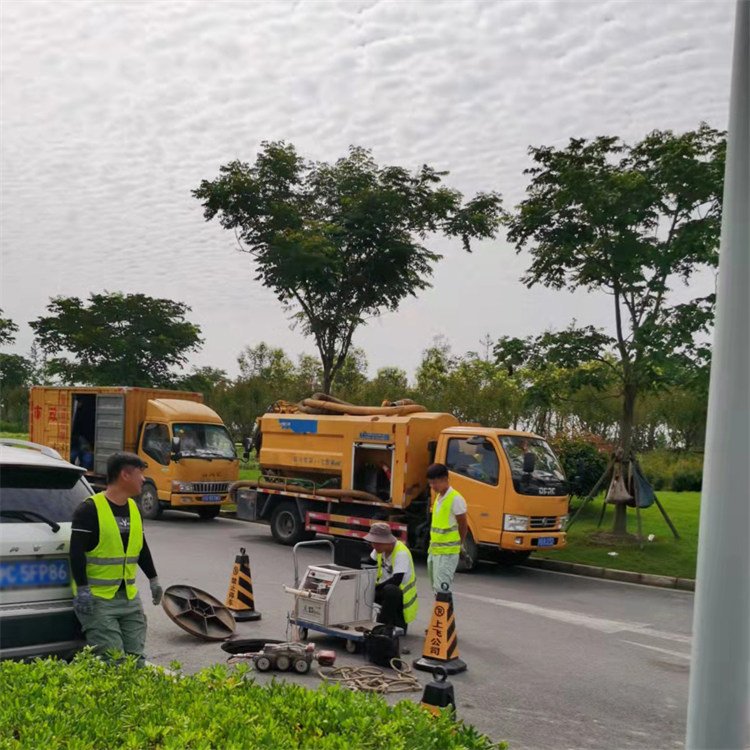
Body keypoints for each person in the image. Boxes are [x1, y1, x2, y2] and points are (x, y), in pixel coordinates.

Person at [69, 452, 163, 663]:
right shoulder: (89, 510)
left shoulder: (134, 509)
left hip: (129, 599)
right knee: (114, 661)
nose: (144, 479)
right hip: (98, 600)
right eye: (140, 474)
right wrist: (82, 589)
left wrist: (153, 579)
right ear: (125, 475)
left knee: (135, 661)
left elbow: (141, 547)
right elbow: (76, 553)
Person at [364, 522, 418, 632]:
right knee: (361, 588)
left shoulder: (401, 553)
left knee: (389, 590)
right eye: (372, 543)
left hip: (399, 596)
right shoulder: (379, 548)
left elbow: (396, 581)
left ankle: (383, 626)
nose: (373, 546)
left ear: (386, 542)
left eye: (376, 543)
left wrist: (374, 589)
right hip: (384, 590)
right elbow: (368, 562)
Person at [426, 463, 468, 595]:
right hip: (435, 551)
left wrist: (459, 544)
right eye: (430, 483)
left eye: (435, 483)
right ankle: (443, 616)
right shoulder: (439, 497)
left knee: (442, 591)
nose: (433, 487)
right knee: (436, 589)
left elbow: (463, 525)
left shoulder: (456, 499)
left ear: (445, 479)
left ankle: (444, 615)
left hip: (447, 553)